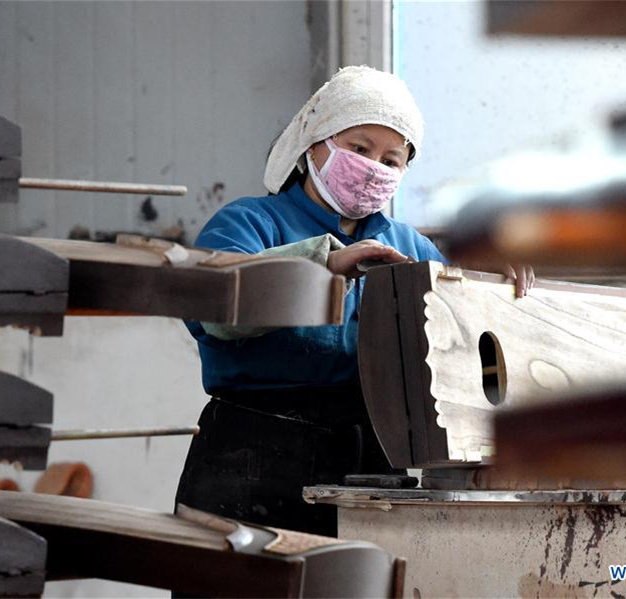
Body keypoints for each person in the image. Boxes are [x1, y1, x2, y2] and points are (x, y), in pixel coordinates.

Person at [176, 66, 533, 537]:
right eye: (358, 148)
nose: (374, 167)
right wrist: (323, 263)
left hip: (373, 456)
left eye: (391, 160)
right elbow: (213, 311)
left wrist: (495, 291)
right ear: (312, 144)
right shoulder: (248, 222)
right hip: (252, 455)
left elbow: (462, 349)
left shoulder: (410, 246)